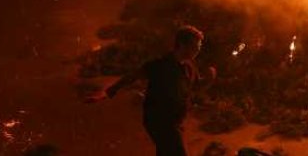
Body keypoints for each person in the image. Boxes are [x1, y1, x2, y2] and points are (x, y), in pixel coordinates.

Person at [87, 26, 216, 156]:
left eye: (199, 47)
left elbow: (195, 86)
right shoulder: (161, 65)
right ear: (182, 44)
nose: (198, 50)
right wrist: (108, 92)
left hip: (175, 121)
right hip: (159, 120)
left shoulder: (189, 67)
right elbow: (133, 76)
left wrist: (209, 79)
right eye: (195, 46)